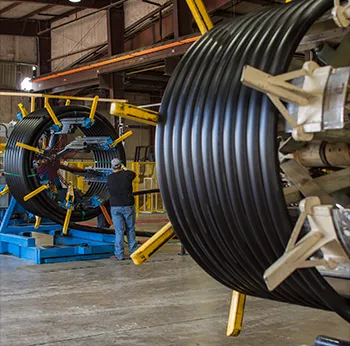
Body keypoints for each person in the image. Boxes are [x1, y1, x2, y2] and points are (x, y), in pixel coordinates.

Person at [107, 158, 138, 260]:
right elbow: (134, 174)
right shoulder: (127, 175)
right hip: (128, 205)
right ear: (121, 165)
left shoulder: (109, 178)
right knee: (130, 229)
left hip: (115, 206)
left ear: (112, 167)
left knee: (119, 231)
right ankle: (133, 253)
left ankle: (119, 254)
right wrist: (124, 168)